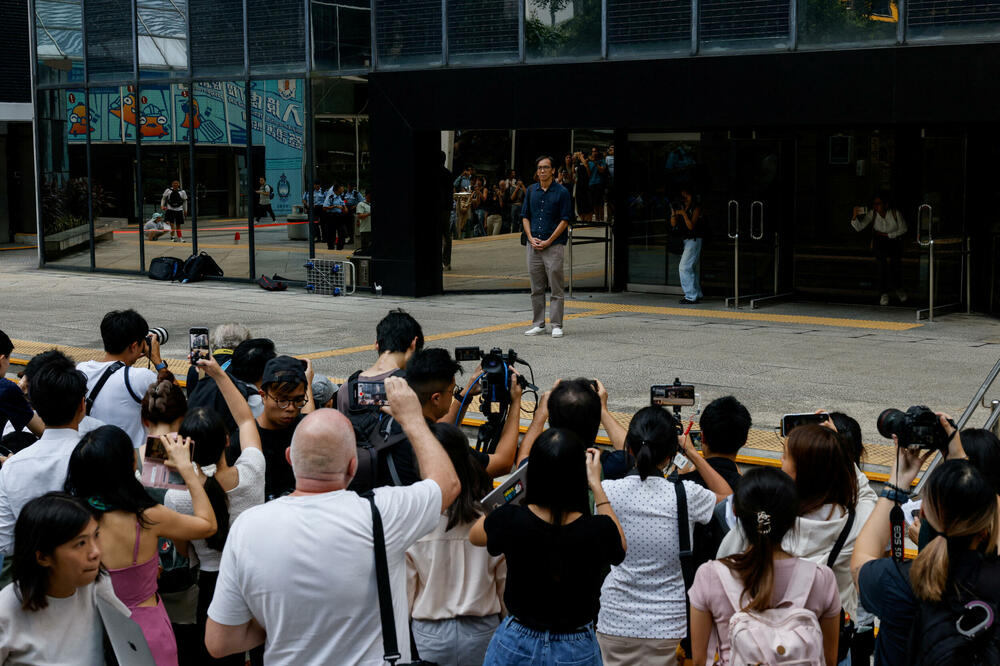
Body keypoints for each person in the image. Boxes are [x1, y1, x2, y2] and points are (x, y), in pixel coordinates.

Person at [204, 378, 461, 664]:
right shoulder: (384, 513)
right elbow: (448, 484)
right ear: (353, 465)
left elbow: (219, 642)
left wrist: (286, 625)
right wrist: (413, 421)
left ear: (290, 458)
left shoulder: (248, 527)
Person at [64, 424, 218, 666]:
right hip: (145, 630)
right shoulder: (147, 516)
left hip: (91, 630)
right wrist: (187, 470)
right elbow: (207, 525)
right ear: (131, 465)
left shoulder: (71, 519)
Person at [470, 429, 626, 665]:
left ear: (533, 473)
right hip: (576, 645)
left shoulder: (510, 519)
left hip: (517, 639)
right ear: (579, 474)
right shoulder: (598, 529)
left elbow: (475, 535)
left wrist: (517, 485)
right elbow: (620, 546)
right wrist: (596, 484)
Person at [853, 426, 1000, 665]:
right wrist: (962, 462)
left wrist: (897, 483)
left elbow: (861, 559)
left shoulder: (897, 580)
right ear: (987, 524)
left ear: (922, 512)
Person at [596, 406, 732, 665]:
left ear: (630, 448)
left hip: (614, 619)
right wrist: (691, 452)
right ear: (672, 452)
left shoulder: (607, 492)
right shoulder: (686, 495)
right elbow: (729, 498)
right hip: (667, 624)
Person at [718, 422, 877, 625]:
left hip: (761, 637)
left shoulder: (763, 521)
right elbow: (866, 494)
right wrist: (836, 450)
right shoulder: (854, 525)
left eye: (785, 456)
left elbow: (725, 563)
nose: (780, 460)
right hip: (827, 636)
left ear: (799, 473)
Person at [165, 355, 264, 666]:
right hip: (256, 579)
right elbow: (246, 420)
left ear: (186, 449)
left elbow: (184, 551)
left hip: (212, 586)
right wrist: (220, 375)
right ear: (227, 441)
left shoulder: (177, 499)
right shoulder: (252, 472)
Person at [689, 467, 842, 666]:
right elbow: (829, 659)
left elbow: (700, 660)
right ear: (793, 518)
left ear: (735, 511)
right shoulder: (822, 578)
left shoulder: (710, 575)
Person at [406, 423, 506, 665]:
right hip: (483, 629)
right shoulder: (490, 520)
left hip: (430, 633)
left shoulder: (414, 524)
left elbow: (406, 593)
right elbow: (504, 586)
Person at [0, 492, 133, 665]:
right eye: (81, 543)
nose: (95, 552)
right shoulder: (6, 610)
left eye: (96, 536)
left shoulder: (97, 585)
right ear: (43, 557)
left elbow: (130, 641)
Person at [0, 352, 91, 572]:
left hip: (30, 578)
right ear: (82, 405)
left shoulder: (12, 466)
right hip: (87, 572)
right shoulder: (98, 453)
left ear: (36, 407)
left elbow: (4, 542)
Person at [77, 309, 164, 456]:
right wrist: (157, 361)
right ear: (134, 346)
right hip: (129, 462)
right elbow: (177, 405)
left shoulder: (82, 369)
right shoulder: (140, 377)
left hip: (90, 458)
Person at [514, 378, 627, 478]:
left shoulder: (541, 464)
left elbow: (523, 458)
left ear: (551, 422)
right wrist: (602, 409)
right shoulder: (609, 465)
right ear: (596, 423)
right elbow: (631, 451)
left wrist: (541, 413)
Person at [522, 155, 573, 339]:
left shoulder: (562, 192)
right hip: (533, 245)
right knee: (536, 288)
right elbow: (525, 216)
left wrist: (549, 240)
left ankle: (557, 325)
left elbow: (565, 220)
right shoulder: (531, 190)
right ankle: (538, 324)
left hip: (553, 246)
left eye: (545, 167)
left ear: (553, 170)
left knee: (556, 287)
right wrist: (530, 237)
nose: (542, 171)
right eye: (539, 168)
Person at [256, 355, 315, 500]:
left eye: (298, 400)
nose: (291, 408)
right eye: (282, 400)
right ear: (263, 396)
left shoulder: (305, 430)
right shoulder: (247, 439)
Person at [851, 191, 908, 306]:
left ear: (886, 204)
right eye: (874, 204)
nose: (876, 206)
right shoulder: (872, 214)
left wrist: (889, 235)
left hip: (893, 240)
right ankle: (884, 293)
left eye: (878, 204)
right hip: (879, 241)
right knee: (882, 265)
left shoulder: (894, 213)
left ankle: (898, 289)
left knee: (895, 264)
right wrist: (855, 215)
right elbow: (859, 227)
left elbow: (904, 229)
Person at [0, 330, 43, 439]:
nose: (8, 364)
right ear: (2, 359)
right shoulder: (6, 388)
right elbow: (42, 431)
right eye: (8, 359)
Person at [672, 187, 705, 305]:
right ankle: (697, 293)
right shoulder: (680, 206)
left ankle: (691, 296)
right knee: (691, 268)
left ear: (692, 196)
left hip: (693, 239)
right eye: (683, 195)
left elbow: (691, 226)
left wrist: (683, 214)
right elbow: (673, 224)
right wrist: (674, 212)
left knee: (684, 267)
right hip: (684, 240)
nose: (685, 198)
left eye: (687, 195)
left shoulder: (696, 208)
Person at [588, 147, 608, 222]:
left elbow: (602, 170)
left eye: (595, 151)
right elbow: (588, 173)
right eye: (593, 151)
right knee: (594, 203)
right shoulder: (589, 162)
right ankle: (597, 218)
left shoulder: (602, 161)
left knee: (600, 203)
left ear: (598, 152)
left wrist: (595, 162)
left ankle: (602, 219)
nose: (594, 153)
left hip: (599, 183)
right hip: (591, 184)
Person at [573, 151, 592, 222]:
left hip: (586, 185)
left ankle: (588, 219)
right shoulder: (577, 163)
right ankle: (582, 219)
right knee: (580, 203)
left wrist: (580, 157)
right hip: (579, 185)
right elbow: (574, 174)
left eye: (581, 154)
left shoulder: (587, 161)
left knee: (587, 203)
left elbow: (588, 171)